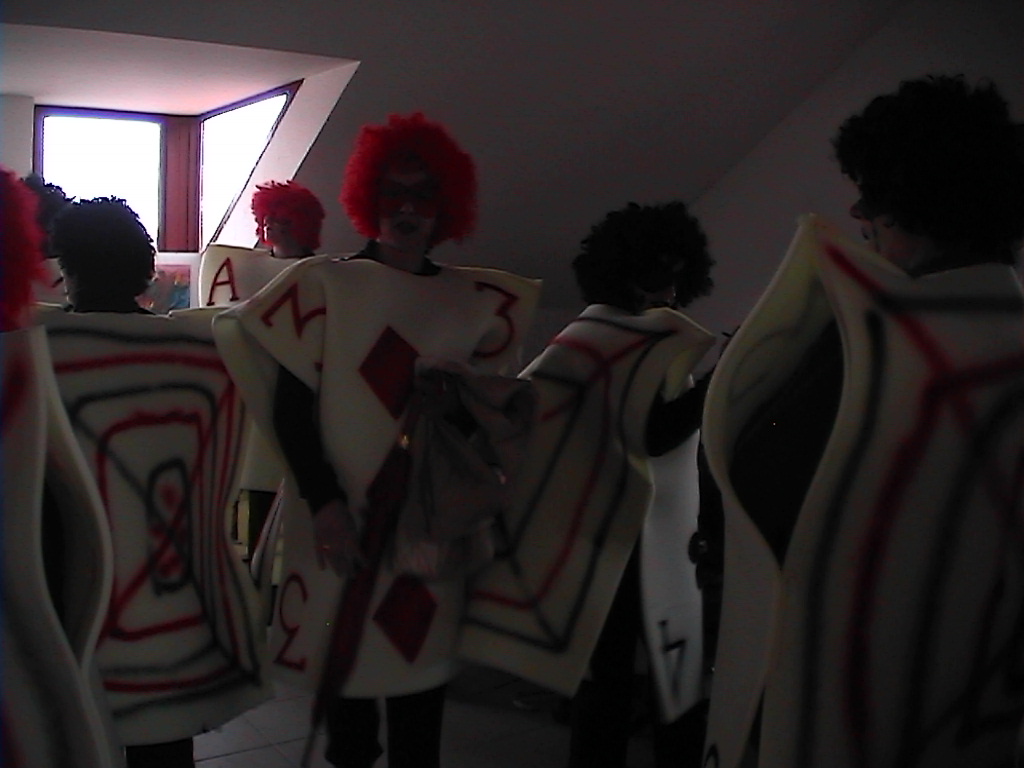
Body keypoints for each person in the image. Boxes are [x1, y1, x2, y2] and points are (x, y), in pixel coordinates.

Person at [701, 75, 1024, 768]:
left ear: (910, 204)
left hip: (835, 694)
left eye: (870, 194)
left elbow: (758, 482)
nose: (856, 213)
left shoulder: (879, 343)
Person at [213, 112, 541, 768]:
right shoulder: (323, 285)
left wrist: (454, 405)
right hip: (341, 521)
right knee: (350, 716)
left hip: (424, 527)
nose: (407, 209)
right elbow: (291, 412)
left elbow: (480, 423)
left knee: (419, 704)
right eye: (393, 192)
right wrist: (325, 504)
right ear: (370, 196)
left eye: (423, 194)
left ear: (445, 204)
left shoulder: (471, 301)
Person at [459, 201, 716, 768]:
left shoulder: (605, 340)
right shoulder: (605, 340)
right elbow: (653, 433)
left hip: (627, 535)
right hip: (615, 541)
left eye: (677, 277)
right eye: (662, 275)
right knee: (644, 682)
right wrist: (716, 382)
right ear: (631, 273)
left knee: (625, 683)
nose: (672, 292)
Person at [47, 197, 269, 768]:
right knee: (163, 735)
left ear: (69, 268)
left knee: (68, 732)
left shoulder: (40, 350)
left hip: (63, 580)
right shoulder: (196, 349)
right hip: (171, 589)